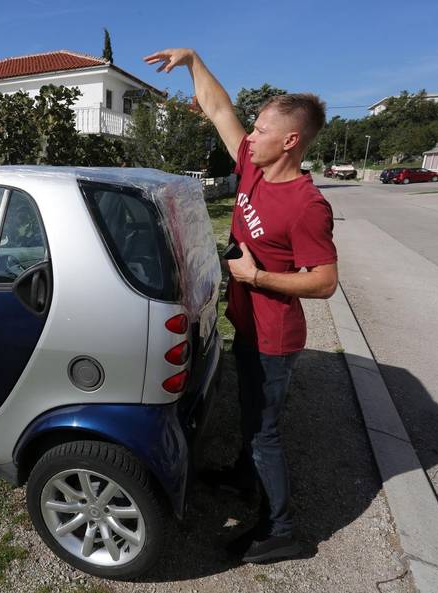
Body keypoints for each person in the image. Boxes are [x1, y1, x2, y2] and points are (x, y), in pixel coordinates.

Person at [144, 48, 339, 564]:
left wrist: (256, 276)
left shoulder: (306, 204)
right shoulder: (253, 170)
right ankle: (240, 475)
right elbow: (218, 109)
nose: (248, 136)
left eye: (260, 130)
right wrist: (192, 61)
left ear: (290, 141)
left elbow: (324, 282)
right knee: (254, 422)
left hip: (276, 337)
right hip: (248, 326)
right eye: (252, 129)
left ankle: (282, 531)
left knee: (263, 432)